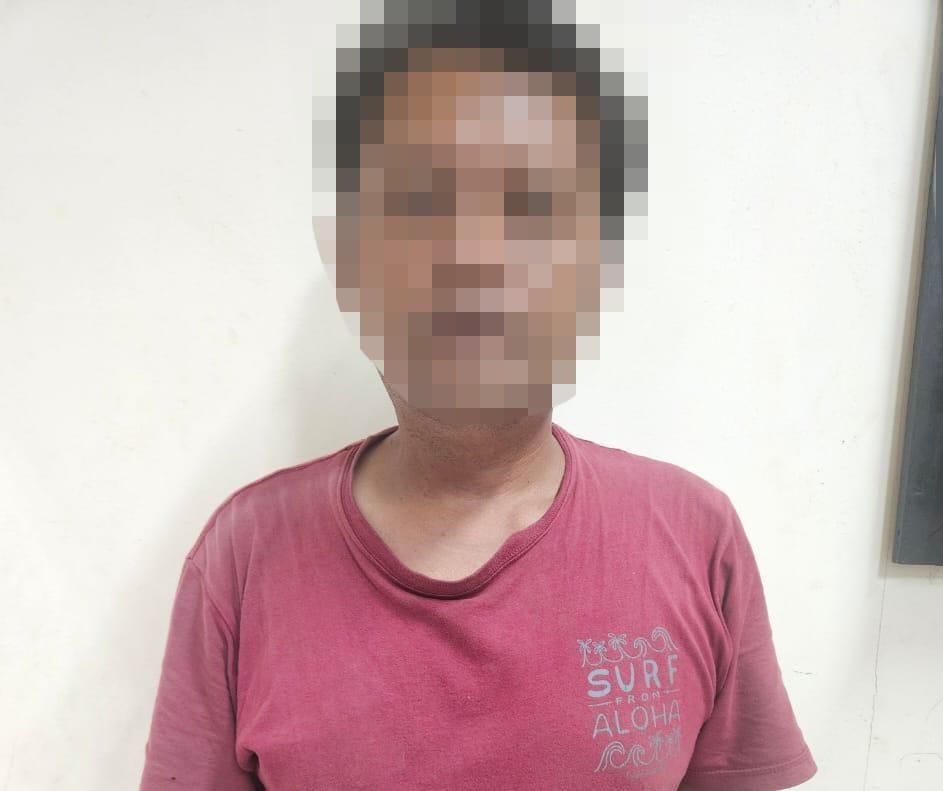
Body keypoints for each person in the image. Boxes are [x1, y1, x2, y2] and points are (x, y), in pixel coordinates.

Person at [139, 1, 818, 789]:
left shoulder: (695, 539)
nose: (473, 255)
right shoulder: (244, 558)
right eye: (420, 202)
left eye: (530, 205)